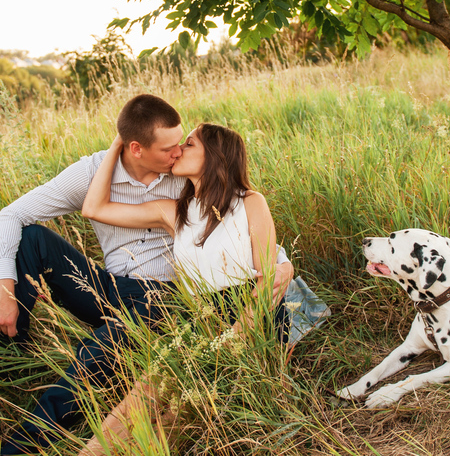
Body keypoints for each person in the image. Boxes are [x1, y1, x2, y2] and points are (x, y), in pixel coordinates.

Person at [0, 94, 293, 455]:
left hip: (169, 299)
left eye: (184, 144)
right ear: (136, 147)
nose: (177, 152)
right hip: (114, 289)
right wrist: (2, 287)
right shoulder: (120, 183)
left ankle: (28, 445)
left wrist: (280, 264)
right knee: (33, 238)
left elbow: (247, 236)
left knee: (102, 358)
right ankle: (6, 353)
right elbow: (38, 213)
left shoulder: (193, 185)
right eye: (170, 148)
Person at [77, 123, 292, 456]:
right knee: (139, 397)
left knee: (178, 419)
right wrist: (121, 138)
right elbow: (94, 209)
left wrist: (234, 337)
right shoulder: (174, 210)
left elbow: (267, 279)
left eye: (188, 144)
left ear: (215, 156)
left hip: (252, 319)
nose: (177, 150)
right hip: (200, 319)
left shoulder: (251, 202)